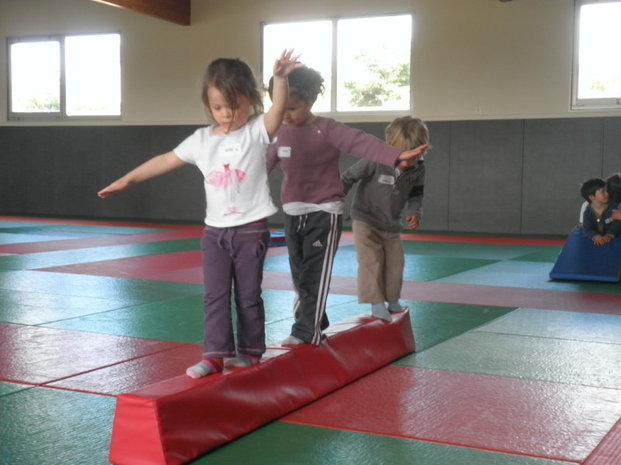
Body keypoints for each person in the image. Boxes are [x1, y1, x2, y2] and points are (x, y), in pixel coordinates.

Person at [98, 51, 302, 378]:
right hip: (215, 233)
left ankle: (250, 351)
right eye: (218, 107)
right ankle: (214, 356)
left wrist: (279, 79)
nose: (226, 114)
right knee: (215, 295)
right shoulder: (202, 140)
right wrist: (127, 179)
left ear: (250, 100)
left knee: (248, 295)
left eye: (234, 106)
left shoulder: (255, 132)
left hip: (250, 229)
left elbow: (278, 108)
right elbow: (165, 160)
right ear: (208, 104)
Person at [266, 66, 429, 346]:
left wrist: (397, 155)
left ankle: (307, 330)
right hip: (293, 212)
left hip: (325, 212)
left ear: (310, 101)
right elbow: (261, 167)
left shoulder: (327, 129)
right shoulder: (279, 133)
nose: (284, 115)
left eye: (292, 107)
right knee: (299, 274)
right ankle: (316, 316)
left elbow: (362, 143)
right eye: (279, 107)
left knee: (315, 274)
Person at [342, 116, 429, 321]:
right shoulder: (376, 159)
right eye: (404, 156)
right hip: (366, 219)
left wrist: (414, 212)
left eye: (414, 157)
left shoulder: (419, 169)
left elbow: (417, 194)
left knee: (395, 263)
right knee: (371, 261)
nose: (409, 162)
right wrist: (333, 199)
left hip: (391, 223)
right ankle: (376, 301)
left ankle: (392, 299)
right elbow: (348, 177)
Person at [580, 177, 621, 246]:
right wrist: (595, 236)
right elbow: (588, 228)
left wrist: (610, 234)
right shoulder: (588, 212)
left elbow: (618, 224)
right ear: (592, 197)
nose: (607, 193)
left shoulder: (613, 207)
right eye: (603, 192)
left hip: (612, 237)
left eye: (606, 191)